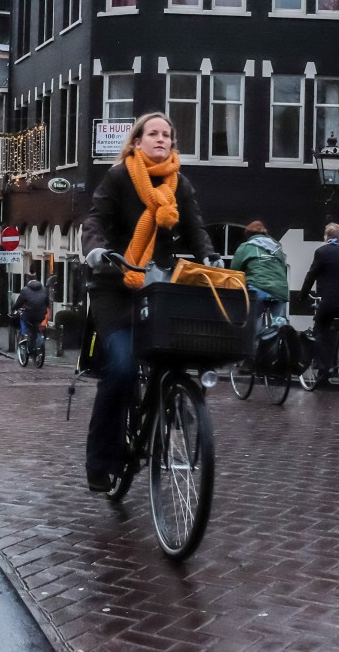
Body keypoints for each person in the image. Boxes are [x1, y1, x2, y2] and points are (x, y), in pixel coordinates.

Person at [81, 111, 221, 493]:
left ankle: (169, 405)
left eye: (167, 135)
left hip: (159, 285)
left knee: (176, 354)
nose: (161, 139)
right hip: (115, 283)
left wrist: (209, 257)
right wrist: (96, 250)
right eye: (153, 133)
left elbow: (195, 228)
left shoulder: (180, 184)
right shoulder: (119, 177)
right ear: (137, 141)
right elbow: (95, 219)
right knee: (123, 368)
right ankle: (101, 461)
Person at [299, 222, 339, 374]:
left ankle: (322, 367)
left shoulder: (322, 252)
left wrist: (302, 295)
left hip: (331, 299)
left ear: (326, 236)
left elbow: (311, 275)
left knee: (320, 328)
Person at [230, 220, 290, 326]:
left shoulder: (246, 247)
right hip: (280, 290)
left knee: (251, 322)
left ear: (248, 235)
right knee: (277, 322)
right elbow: (283, 269)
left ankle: (253, 339)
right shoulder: (277, 248)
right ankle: (279, 335)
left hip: (257, 289)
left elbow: (234, 271)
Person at [12, 277, 49, 351]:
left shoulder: (25, 290)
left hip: (29, 315)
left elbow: (19, 303)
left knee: (23, 318)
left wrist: (13, 308)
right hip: (41, 315)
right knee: (38, 325)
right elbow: (47, 303)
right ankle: (38, 342)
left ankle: (24, 334)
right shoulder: (44, 290)